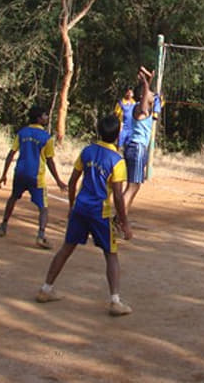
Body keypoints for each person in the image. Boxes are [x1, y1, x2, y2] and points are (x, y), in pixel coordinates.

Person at [36, 114, 134, 316]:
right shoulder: (117, 161)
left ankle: (46, 289)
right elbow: (118, 195)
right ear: (117, 136)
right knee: (111, 254)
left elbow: (73, 182)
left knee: (66, 248)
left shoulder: (87, 151)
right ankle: (115, 301)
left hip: (81, 208)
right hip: (100, 212)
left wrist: (72, 205)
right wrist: (124, 222)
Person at [0, 105, 66, 249]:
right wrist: (58, 180)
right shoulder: (46, 138)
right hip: (36, 177)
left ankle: (3, 225)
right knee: (43, 208)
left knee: (13, 198)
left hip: (20, 173)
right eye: (45, 115)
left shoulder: (22, 133)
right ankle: (41, 235)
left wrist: (4, 174)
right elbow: (50, 161)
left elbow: (11, 154)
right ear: (39, 118)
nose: (47, 117)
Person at [122, 66, 155, 212]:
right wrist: (145, 83)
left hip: (134, 148)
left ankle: (121, 217)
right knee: (132, 186)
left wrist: (148, 80)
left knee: (133, 186)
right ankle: (119, 217)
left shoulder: (139, 106)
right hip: (137, 148)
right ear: (143, 96)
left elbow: (145, 93)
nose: (152, 95)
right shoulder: (141, 110)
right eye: (150, 93)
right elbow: (145, 94)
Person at [114, 86, 136, 152]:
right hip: (122, 127)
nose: (129, 94)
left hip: (131, 127)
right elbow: (116, 114)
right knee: (119, 143)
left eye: (131, 92)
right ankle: (117, 154)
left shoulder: (134, 103)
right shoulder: (121, 103)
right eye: (128, 92)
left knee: (128, 145)